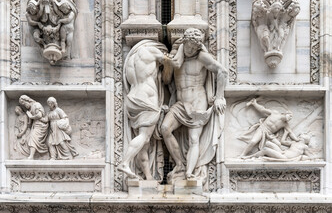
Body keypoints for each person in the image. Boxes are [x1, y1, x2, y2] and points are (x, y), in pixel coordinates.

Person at [160, 28, 228, 180]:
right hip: (180, 102)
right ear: (184, 42)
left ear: (198, 46)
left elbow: (222, 71)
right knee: (165, 128)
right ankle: (179, 164)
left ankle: (189, 173)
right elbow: (166, 80)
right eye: (188, 45)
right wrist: (168, 63)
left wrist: (219, 97)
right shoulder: (177, 57)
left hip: (198, 101)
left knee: (194, 139)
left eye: (194, 47)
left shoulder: (202, 57)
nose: (190, 49)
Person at [118, 40, 177, 181]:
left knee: (144, 142)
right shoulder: (152, 51)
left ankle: (148, 177)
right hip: (147, 99)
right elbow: (168, 72)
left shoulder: (132, 57)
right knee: (144, 137)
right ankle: (125, 163)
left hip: (132, 98)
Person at [19, 95, 49, 160]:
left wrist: (31, 117)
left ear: (27, 100)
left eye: (24, 103)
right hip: (35, 125)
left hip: (41, 125)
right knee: (30, 138)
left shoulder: (36, 105)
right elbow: (30, 123)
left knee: (33, 138)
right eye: (23, 105)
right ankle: (34, 155)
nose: (25, 106)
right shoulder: (30, 109)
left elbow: (39, 115)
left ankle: (31, 156)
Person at [243, 134, 314, 161]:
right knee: (268, 143)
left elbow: (310, 156)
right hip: (282, 153)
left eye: (301, 135)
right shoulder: (294, 142)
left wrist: (301, 157)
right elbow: (282, 141)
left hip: (285, 157)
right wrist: (285, 133)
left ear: (304, 139)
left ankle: (249, 157)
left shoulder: (304, 146)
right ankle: (256, 155)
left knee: (265, 149)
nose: (299, 135)